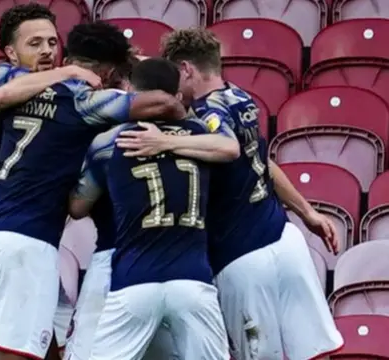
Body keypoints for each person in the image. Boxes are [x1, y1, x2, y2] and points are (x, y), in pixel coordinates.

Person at [117, 28, 344, 359]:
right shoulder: (241, 97)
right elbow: (263, 160)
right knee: (312, 350)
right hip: (285, 239)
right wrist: (306, 211)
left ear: (186, 69)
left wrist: (165, 141)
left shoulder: (208, 115)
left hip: (243, 258)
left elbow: (229, 148)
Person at [0, 22, 185, 360]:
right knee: (17, 352)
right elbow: (163, 104)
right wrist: (140, 70)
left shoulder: (16, 82)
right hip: (26, 240)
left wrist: (64, 70)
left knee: (29, 344)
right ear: (109, 72)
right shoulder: (86, 100)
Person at [0, 4, 100, 360]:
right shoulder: (16, 93)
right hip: (13, 241)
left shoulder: (17, 84)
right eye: (35, 43)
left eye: (53, 41)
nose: (48, 50)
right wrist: (69, 72)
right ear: (11, 52)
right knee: (20, 350)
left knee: (42, 346)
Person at [67, 57, 230, 360]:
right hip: (193, 280)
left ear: (130, 89)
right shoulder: (200, 135)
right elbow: (229, 150)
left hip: (134, 279)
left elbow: (77, 207)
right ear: (177, 93)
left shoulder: (109, 141)